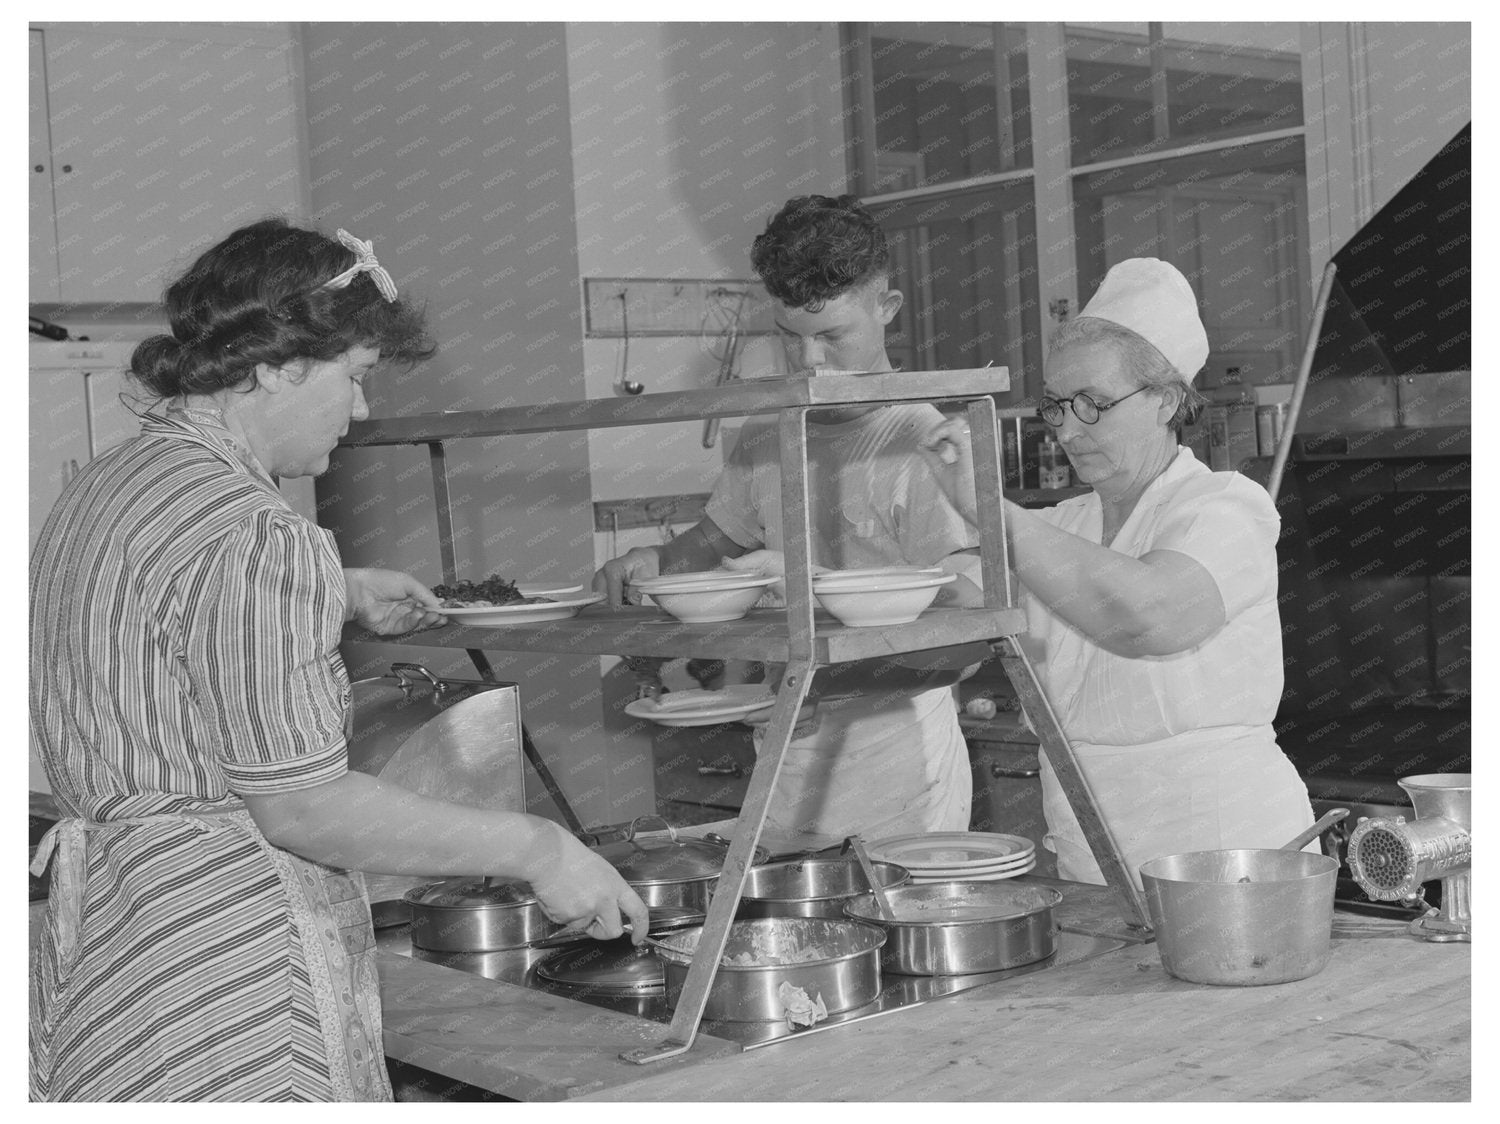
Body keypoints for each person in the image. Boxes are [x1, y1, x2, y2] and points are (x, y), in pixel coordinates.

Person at [29, 219, 649, 1102]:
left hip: (122, 950)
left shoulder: (111, 484)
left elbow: (165, 619)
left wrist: (334, 588)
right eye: (354, 378)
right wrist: (540, 847)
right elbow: (304, 808)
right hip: (229, 976)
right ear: (278, 366)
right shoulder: (257, 536)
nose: (360, 410)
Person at [594, 194, 983, 853]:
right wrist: (654, 567)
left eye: (832, 336)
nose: (810, 364)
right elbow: (714, 543)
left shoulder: (920, 440)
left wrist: (820, 604)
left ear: (885, 309)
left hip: (898, 771)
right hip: (789, 751)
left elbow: (968, 626)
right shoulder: (766, 436)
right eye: (789, 337)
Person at [922, 257, 1314, 886]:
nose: (1068, 431)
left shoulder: (1225, 507)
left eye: (1093, 404)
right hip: (1092, 862)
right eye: (1056, 406)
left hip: (1227, 860)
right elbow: (949, 617)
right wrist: (806, 585)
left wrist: (989, 511)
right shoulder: (1063, 527)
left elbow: (1146, 616)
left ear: (1164, 398)